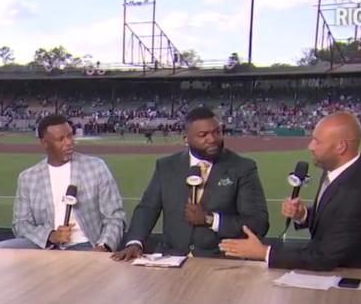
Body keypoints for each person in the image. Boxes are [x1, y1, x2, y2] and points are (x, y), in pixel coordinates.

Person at [219, 111, 361, 270]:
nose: (310, 146)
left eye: (317, 141)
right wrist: (303, 215)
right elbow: (334, 223)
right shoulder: (335, 170)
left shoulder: (359, 191)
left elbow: (324, 257)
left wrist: (264, 252)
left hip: (349, 282)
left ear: (341, 146)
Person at [112, 107, 269, 261]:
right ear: (186, 138)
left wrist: (211, 219)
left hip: (221, 261)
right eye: (203, 135)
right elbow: (148, 208)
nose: (212, 139)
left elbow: (258, 223)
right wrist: (135, 242)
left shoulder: (242, 168)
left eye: (217, 132)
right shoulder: (166, 166)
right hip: (170, 258)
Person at [0, 114, 124, 251]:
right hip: (42, 245)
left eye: (70, 136)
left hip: (85, 245)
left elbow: (114, 217)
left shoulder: (96, 168)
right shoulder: (28, 178)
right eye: (60, 139)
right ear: (45, 143)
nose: (68, 142)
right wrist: (50, 235)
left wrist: (103, 247)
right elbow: (21, 224)